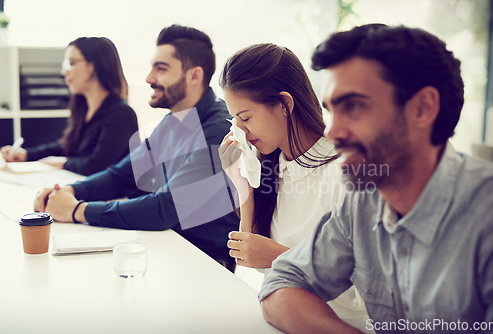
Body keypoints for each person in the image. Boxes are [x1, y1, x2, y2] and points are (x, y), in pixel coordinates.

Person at [258, 23, 493, 334]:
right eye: (332, 110)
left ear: (423, 109)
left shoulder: (490, 217)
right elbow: (281, 283)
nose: (332, 132)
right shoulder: (364, 200)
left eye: (354, 107)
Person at [33, 25, 239, 270]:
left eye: (161, 69)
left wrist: (77, 210)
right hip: (161, 245)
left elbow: (165, 209)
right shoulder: (172, 122)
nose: (148, 78)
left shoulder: (218, 131)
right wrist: (67, 190)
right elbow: (121, 176)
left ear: (194, 76)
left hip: (201, 262)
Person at [219, 43, 370, 331]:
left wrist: (280, 255)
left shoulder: (344, 173)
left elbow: (366, 292)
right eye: (234, 119)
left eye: (246, 117)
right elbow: (251, 258)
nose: (240, 132)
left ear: (285, 104)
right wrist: (244, 189)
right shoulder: (273, 167)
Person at [1, 37, 138, 176]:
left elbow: (97, 165)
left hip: (115, 196)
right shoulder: (83, 108)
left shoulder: (122, 114)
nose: (64, 72)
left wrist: (63, 163)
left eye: (71, 63)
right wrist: (27, 155)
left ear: (95, 65)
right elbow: (69, 147)